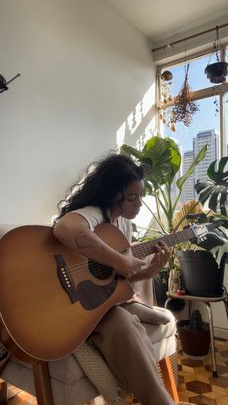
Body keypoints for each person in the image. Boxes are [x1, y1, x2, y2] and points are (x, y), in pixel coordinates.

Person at [53, 153, 190, 405]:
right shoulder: (95, 213)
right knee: (126, 323)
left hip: (98, 302)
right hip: (71, 302)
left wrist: (148, 272)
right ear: (111, 194)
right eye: (131, 198)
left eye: (140, 196)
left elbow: (115, 279)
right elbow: (65, 228)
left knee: (125, 320)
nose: (138, 204)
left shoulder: (122, 225)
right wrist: (121, 261)